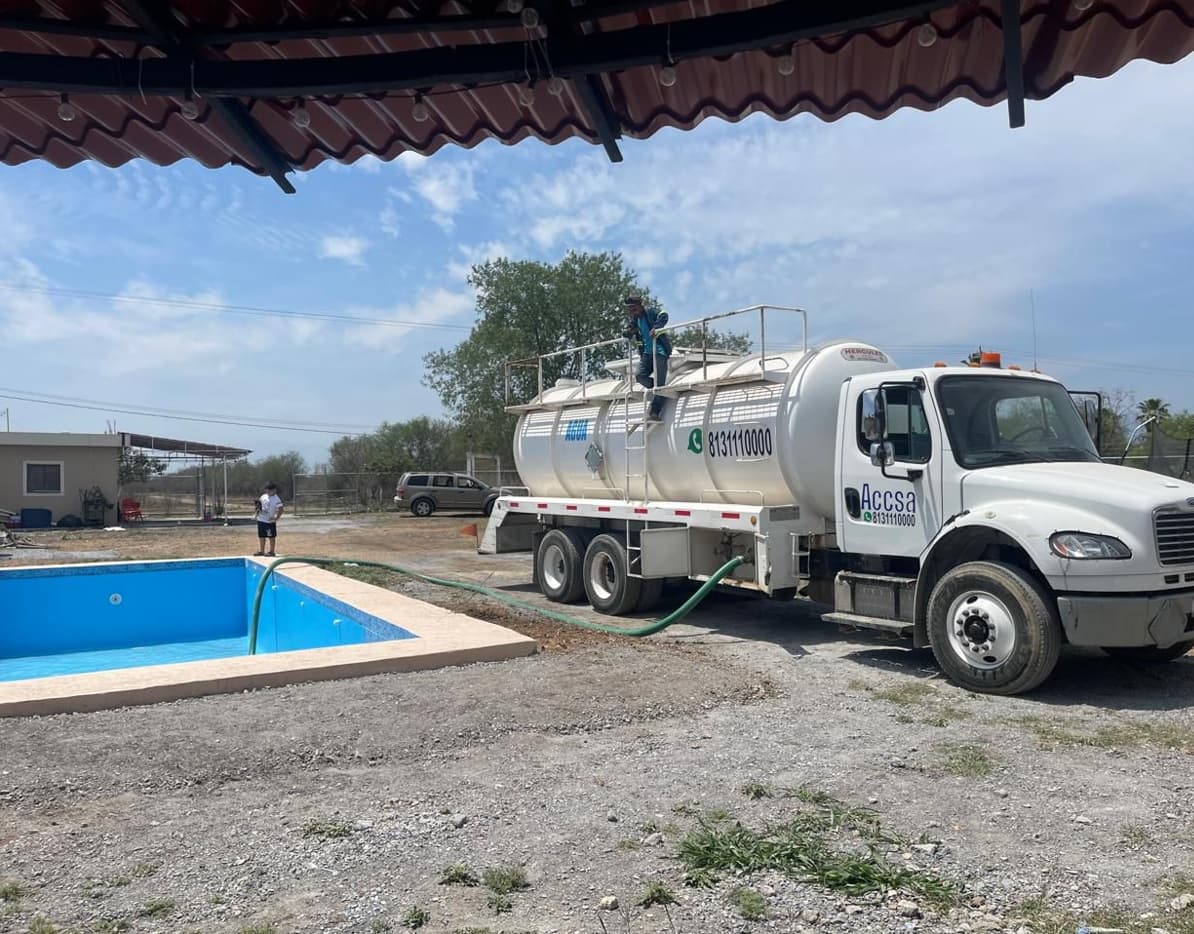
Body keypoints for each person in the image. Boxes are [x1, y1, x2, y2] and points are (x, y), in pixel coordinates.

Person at [623, 295, 672, 421]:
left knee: (659, 385)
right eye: (630, 310)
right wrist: (628, 332)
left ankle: (655, 412)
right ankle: (658, 391)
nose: (632, 312)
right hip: (647, 353)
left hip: (659, 352)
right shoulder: (635, 319)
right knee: (639, 376)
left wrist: (656, 327)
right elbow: (629, 329)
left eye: (634, 309)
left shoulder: (650, 312)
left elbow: (664, 314)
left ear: (640, 306)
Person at [254, 482, 284, 557]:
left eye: (271, 490)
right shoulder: (263, 496)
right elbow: (259, 505)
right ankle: (261, 551)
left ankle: (271, 551)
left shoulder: (276, 498)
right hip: (261, 519)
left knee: (271, 536)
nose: (269, 492)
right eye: (267, 490)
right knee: (261, 536)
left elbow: (281, 509)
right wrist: (257, 513)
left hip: (270, 521)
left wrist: (276, 518)